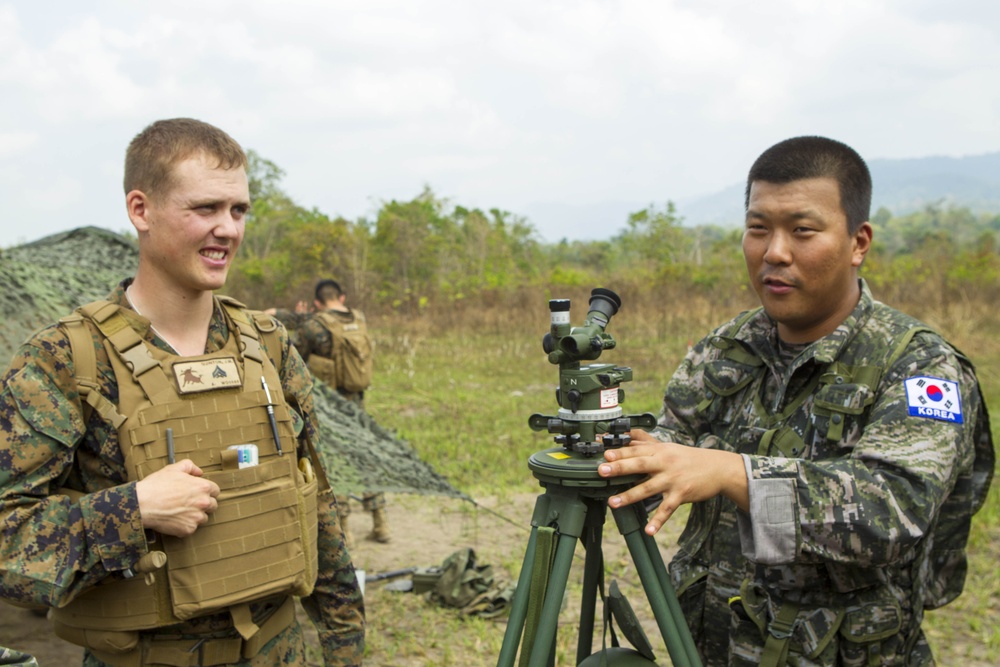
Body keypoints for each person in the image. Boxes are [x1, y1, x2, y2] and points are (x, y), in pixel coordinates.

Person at [596, 136, 994, 665]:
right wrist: (633, 454)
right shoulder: (728, 347)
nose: (774, 252)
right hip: (708, 646)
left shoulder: (920, 368)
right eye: (758, 229)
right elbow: (679, 439)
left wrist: (735, 473)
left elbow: (893, 511)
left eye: (802, 231)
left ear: (858, 241)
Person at [0, 118, 365, 666]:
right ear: (140, 210)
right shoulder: (65, 361)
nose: (228, 229)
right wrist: (132, 509)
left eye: (238, 210)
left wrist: (344, 650)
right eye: (205, 209)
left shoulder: (268, 343)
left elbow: (315, 501)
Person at [283, 279, 389, 546]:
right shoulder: (358, 319)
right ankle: (381, 522)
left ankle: (346, 531)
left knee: (335, 464)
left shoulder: (313, 326)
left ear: (317, 302)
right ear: (341, 298)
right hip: (357, 403)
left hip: (328, 407)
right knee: (365, 461)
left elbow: (296, 356)